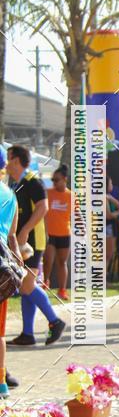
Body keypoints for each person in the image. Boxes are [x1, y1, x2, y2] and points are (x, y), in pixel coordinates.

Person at [6, 145, 65, 346]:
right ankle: (28, 334)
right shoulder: (15, 184)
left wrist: (25, 231)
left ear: (15, 159)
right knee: (25, 287)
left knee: (27, 284)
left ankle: (55, 321)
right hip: (20, 242)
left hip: (33, 241)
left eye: (8, 157)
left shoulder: (33, 181)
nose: (6, 162)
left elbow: (43, 207)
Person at [0, 148, 21, 395]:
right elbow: (12, 235)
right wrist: (19, 264)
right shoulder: (10, 195)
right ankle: (2, 381)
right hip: (3, 265)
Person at [43, 164, 72, 301]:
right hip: (50, 233)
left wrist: (82, 225)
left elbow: (76, 212)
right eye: (53, 180)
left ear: (64, 179)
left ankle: (62, 290)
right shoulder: (48, 193)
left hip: (64, 233)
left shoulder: (70, 195)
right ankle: (45, 282)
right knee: (48, 260)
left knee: (62, 262)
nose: (54, 182)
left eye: (57, 180)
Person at [105, 176, 119, 277]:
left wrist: (110, 197)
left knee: (107, 255)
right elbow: (108, 215)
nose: (112, 185)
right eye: (110, 183)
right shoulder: (103, 198)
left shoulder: (107, 196)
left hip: (108, 227)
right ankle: (102, 278)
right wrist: (118, 213)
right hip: (107, 227)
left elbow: (118, 204)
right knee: (107, 255)